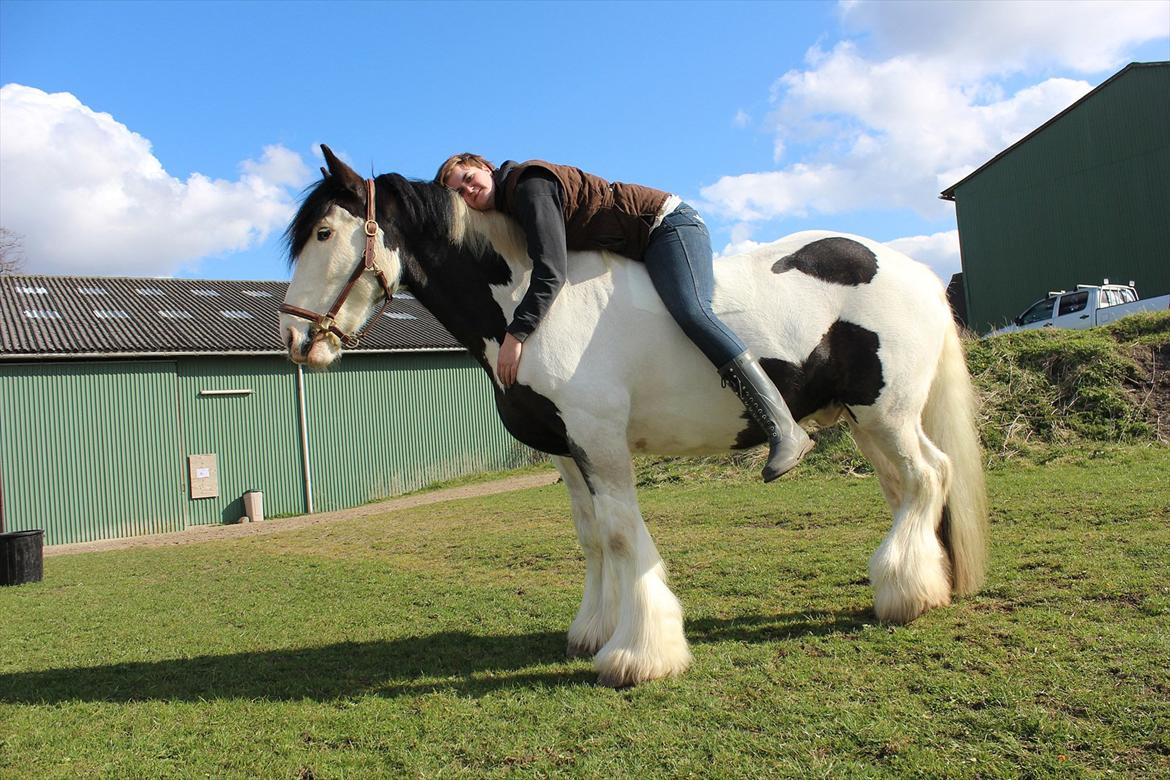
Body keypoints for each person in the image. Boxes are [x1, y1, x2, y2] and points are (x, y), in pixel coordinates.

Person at [436, 154, 812, 481]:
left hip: (666, 226)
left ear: (485, 167)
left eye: (469, 179)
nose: (469, 191)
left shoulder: (527, 187)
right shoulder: (512, 208)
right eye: (459, 192)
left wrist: (516, 334)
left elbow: (551, 270)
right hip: (637, 246)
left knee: (692, 310)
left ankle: (782, 425)